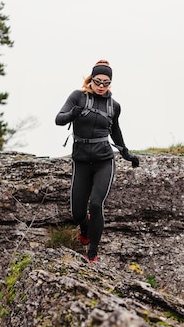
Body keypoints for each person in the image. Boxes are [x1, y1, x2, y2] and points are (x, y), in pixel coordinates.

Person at [55, 59, 139, 263]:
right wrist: (72, 114)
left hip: (104, 161)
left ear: (111, 83)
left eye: (106, 83)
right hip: (81, 161)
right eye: (98, 81)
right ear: (90, 79)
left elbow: (115, 131)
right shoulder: (78, 97)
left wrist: (126, 153)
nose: (101, 86)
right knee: (77, 214)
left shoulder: (114, 106)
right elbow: (59, 119)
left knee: (96, 204)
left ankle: (92, 251)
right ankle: (84, 227)